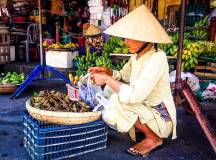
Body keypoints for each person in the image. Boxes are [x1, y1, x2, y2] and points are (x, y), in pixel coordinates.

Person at [88, 5, 177, 157]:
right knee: (110, 90)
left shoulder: (157, 58)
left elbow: (134, 95)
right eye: (125, 37)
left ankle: (154, 137)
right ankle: (141, 128)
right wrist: (107, 72)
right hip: (145, 109)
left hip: (161, 117)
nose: (125, 42)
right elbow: (123, 76)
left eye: (130, 37)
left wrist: (107, 79)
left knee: (118, 99)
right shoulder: (136, 57)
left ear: (145, 39)